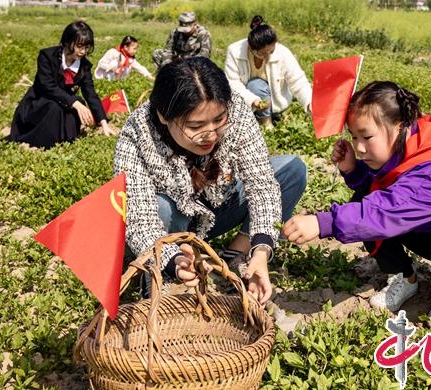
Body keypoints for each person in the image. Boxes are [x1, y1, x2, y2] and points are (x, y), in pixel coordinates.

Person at [283, 81, 431, 327]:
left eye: (367, 136)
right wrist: (353, 170)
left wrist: (323, 222)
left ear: (400, 126)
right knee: (366, 201)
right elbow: (382, 186)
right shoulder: (408, 144)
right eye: (353, 136)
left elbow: (385, 210)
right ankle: (406, 277)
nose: (359, 147)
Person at [114, 57, 307, 304]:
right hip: (172, 224)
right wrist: (174, 261)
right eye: (195, 125)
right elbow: (139, 219)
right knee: (159, 207)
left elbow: (261, 184)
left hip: (217, 206)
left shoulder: (236, 111)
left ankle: (238, 251)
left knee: (291, 170)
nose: (210, 134)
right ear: (164, 116)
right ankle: (159, 277)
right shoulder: (138, 133)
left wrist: (261, 250)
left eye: (218, 121)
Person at [6, 21, 115, 149]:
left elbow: (91, 94)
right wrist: (74, 102)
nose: (83, 51)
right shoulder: (47, 56)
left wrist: (104, 124)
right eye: (79, 46)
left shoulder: (84, 66)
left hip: (64, 105)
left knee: (73, 106)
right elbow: (48, 87)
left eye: (86, 47)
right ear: (68, 41)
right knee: (58, 106)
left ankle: (65, 143)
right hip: (39, 104)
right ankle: (42, 143)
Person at [224, 15, 312, 129]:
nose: (268, 56)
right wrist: (253, 100)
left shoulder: (282, 52)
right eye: (262, 53)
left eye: (271, 51)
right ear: (251, 48)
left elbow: (298, 81)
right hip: (248, 102)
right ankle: (264, 122)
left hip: (275, 103)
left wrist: (309, 103)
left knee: (256, 85)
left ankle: (267, 121)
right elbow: (233, 83)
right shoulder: (235, 51)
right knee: (255, 84)